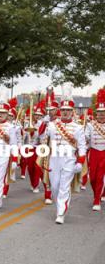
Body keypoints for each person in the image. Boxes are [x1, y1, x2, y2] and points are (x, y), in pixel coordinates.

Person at [43, 96, 86, 224]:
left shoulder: (77, 128)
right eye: (63, 110)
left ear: (72, 111)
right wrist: (45, 122)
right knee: (55, 186)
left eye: (68, 109)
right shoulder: (52, 125)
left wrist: (80, 162)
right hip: (54, 158)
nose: (65, 112)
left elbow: (82, 146)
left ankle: (61, 212)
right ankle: (59, 207)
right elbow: (43, 139)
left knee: (64, 187)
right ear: (59, 111)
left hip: (69, 159)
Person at [85, 90, 105, 211]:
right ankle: (97, 194)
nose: (101, 115)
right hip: (94, 152)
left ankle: (96, 199)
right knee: (92, 178)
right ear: (96, 114)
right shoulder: (91, 125)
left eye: (103, 113)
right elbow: (86, 136)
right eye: (99, 113)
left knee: (100, 177)